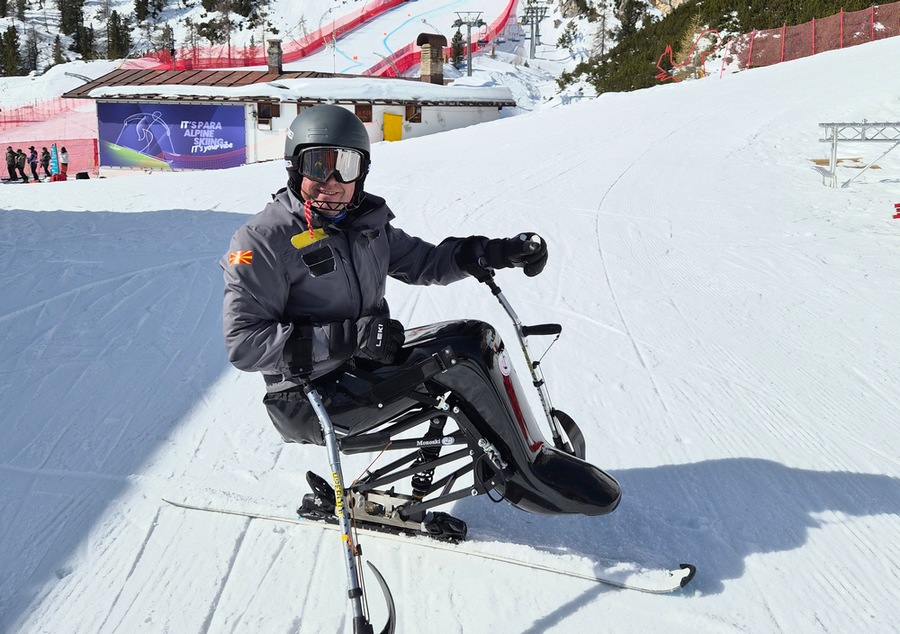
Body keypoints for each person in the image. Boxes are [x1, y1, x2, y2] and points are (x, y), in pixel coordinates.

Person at [221, 104, 547, 447]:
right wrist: (351, 338)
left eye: (346, 167)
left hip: (361, 368)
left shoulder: (364, 226)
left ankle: (518, 457)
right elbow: (244, 343)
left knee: (472, 340)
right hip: (307, 394)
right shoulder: (263, 240)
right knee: (461, 356)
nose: (332, 182)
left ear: (361, 173)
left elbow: (426, 262)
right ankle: (524, 467)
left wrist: (495, 252)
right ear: (294, 166)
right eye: (318, 165)